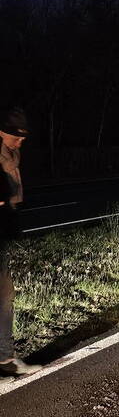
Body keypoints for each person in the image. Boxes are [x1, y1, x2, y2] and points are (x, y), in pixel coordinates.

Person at [0, 107, 40, 378]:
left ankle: (6, 359)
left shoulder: (12, 153)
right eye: (15, 136)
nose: (20, 141)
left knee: (5, 294)